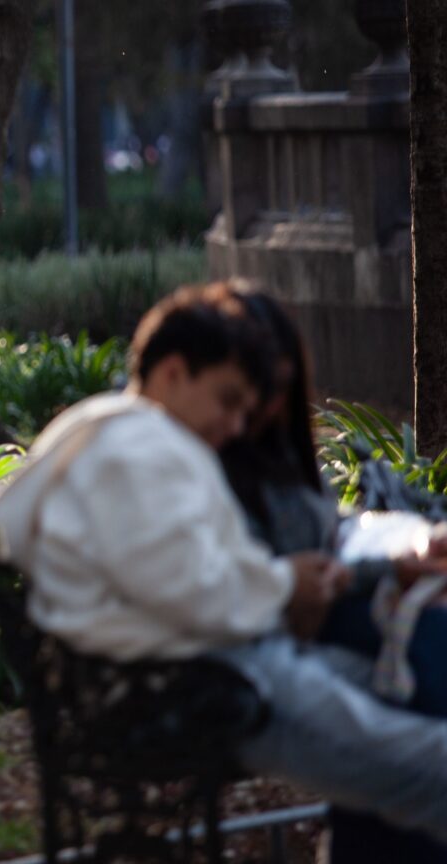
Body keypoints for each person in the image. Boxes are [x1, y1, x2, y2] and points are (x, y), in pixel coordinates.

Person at [0, 282, 447, 844]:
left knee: (418, 690)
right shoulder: (140, 453)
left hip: (199, 669)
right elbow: (193, 592)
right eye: (228, 401)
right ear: (173, 373)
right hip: (209, 680)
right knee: (430, 761)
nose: (236, 426)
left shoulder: (122, 436)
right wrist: (287, 585)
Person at [220, 289, 447, 862]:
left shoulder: (276, 453)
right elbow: (291, 573)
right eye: (262, 384)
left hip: (335, 598)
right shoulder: (225, 464)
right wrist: (389, 567)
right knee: (429, 652)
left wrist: (402, 548)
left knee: (425, 648)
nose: (270, 402)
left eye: (282, 384)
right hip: (304, 619)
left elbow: (326, 535)